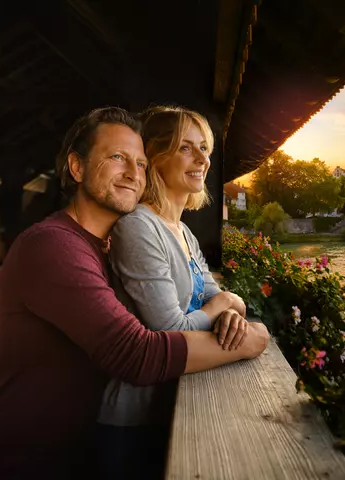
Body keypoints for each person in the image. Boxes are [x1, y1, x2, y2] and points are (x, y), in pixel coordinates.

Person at [0, 107, 269, 480]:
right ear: (77, 167)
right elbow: (136, 353)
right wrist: (250, 340)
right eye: (117, 158)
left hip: (76, 451)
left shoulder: (107, 243)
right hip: (24, 460)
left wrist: (226, 310)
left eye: (140, 162)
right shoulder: (53, 246)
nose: (133, 173)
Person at [95, 106, 249, 476]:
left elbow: (226, 300)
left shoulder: (183, 231)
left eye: (204, 148)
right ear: (155, 157)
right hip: (135, 419)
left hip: (175, 407)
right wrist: (220, 307)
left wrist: (230, 305)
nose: (202, 159)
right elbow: (169, 328)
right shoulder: (138, 227)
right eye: (186, 148)